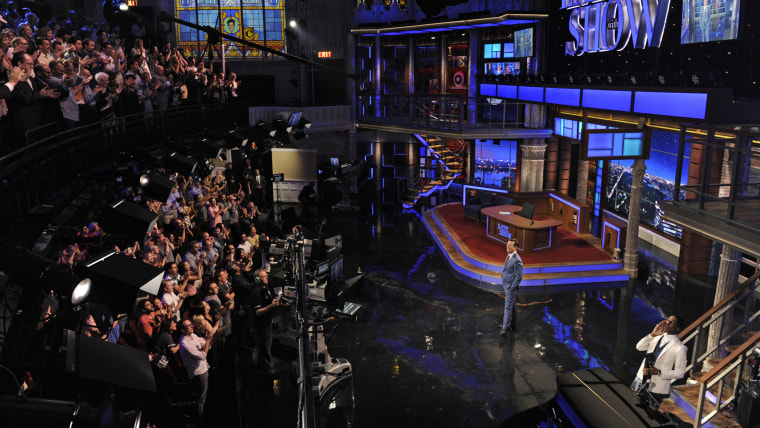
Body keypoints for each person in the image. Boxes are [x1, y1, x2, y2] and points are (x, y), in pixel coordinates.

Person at [634, 315, 687, 402]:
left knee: (645, 414)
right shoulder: (656, 336)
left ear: (678, 328)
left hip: (657, 388)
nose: (667, 323)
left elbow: (680, 373)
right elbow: (639, 347)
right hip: (640, 379)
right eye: (667, 320)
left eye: (671, 322)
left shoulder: (680, 348)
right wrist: (652, 334)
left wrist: (658, 372)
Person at [179, 319, 210, 425]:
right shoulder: (184, 343)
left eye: (191, 324)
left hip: (204, 368)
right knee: (201, 400)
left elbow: (205, 345)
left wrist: (206, 342)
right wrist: (208, 341)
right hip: (199, 373)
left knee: (203, 398)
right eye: (189, 325)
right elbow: (202, 355)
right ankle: (200, 422)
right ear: (183, 330)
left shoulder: (194, 336)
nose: (192, 326)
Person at [500, 238, 522, 336]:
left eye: (510, 245)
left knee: (507, 307)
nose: (507, 247)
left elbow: (519, 276)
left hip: (510, 287)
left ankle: (505, 328)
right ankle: (513, 325)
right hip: (506, 284)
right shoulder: (509, 254)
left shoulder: (517, 260)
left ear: (515, 247)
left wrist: (513, 287)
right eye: (507, 244)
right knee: (512, 305)